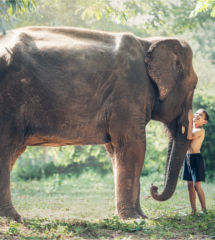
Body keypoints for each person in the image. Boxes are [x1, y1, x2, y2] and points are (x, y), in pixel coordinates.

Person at [182, 108, 209, 214]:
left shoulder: (200, 130)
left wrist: (189, 120)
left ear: (204, 122)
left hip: (196, 159)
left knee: (196, 186)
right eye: (196, 113)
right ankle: (193, 210)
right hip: (188, 158)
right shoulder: (191, 128)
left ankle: (204, 209)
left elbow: (189, 136)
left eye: (200, 115)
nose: (197, 115)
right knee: (189, 185)